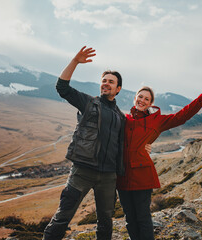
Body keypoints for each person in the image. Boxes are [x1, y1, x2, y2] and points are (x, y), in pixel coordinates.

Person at [42, 46, 126, 240]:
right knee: (64, 216)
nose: (106, 84)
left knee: (106, 221)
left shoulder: (120, 117)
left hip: (108, 176)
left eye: (111, 82)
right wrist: (75, 62)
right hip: (83, 172)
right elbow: (62, 88)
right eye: (103, 81)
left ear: (118, 88)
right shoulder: (88, 103)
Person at [116, 86, 202, 240]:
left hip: (142, 176)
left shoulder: (156, 120)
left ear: (151, 104)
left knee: (143, 217)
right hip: (123, 175)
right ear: (134, 98)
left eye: (147, 99)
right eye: (140, 97)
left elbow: (181, 116)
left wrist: (201, 99)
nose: (142, 100)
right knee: (130, 219)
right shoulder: (124, 119)